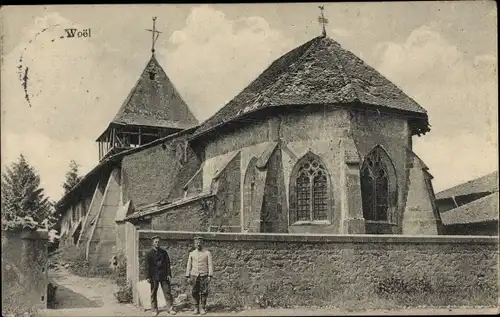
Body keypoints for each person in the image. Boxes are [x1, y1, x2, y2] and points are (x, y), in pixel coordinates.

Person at [145, 236, 176, 316]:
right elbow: (147, 266)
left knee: (167, 292)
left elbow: (167, 264)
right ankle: (154, 309)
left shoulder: (164, 252)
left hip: (164, 275)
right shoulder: (149, 254)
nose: (157, 243)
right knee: (153, 293)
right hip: (154, 276)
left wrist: (169, 274)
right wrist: (148, 277)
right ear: (153, 243)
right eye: (156, 242)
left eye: (158, 242)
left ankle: (170, 308)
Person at [185, 236, 213, 315]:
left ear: (202, 243)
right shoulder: (192, 253)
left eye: (200, 242)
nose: (198, 244)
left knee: (204, 292)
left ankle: (202, 308)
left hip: (204, 275)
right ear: (194, 244)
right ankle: (196, 307)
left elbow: (210, 265)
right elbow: (189, 265)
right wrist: (187, 276)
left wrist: (210, 275)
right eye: (197, 242)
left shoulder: (207, 253)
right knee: (194, 291)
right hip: (194, 275)